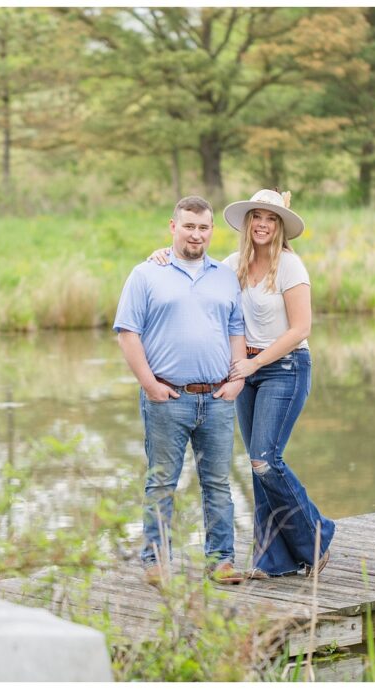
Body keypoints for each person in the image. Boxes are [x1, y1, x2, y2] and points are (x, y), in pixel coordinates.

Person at [148, 189, 334, 579]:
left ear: (280, 227)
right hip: (245, 371)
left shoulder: (289, 267)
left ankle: (316, 535)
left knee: (266, 460)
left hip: (284, 367)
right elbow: (192, 268)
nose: (263, 225)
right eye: (257, 217)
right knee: (255, 468)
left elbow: (301, 328)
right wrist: (159, 257)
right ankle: (274, 560)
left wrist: (254, 363)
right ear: (247, 223)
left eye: (271, 219)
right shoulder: (232, 264)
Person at [113, 195, 248, 587]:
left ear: (211, 231)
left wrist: (237, 380)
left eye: (203, 227)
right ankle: (156, 563)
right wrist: (149, 384)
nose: (196, 234)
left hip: (218, 398)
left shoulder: (224, 276)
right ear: (173, 227)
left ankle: (221, 561)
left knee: (218, 484)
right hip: (167, 398)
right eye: (189, 226)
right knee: (161, 483)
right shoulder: (146, 274)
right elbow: (127, 333)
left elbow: (236, 329)